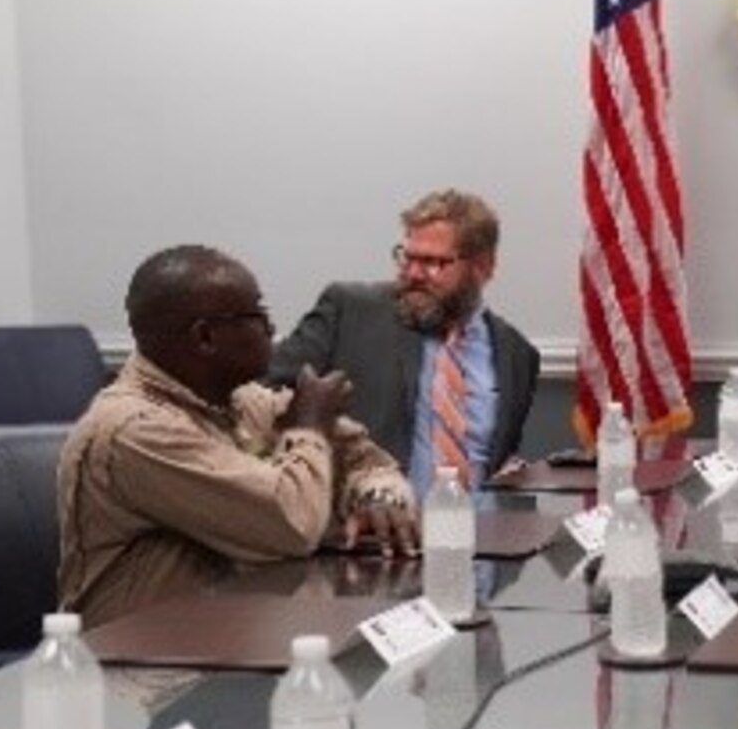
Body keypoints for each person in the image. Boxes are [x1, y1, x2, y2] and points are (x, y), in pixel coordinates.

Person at [58, 245, 414, 627]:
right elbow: (291, 523)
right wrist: (309, 426)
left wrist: (380, 497)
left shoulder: (240, 399)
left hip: (234, 637)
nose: (271, 329)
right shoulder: (134, 430)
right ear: (206, 337)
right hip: (142, 668)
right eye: (256, 316)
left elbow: (364, 458)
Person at [270, 190, 539, 498]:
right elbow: (262, 398)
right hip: (367, 533)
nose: (412, 273)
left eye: (432, 263)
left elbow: (499, 462)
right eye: (407, 257)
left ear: (482, 267)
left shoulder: (517, 355)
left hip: (475, 536)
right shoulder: (349, 312)